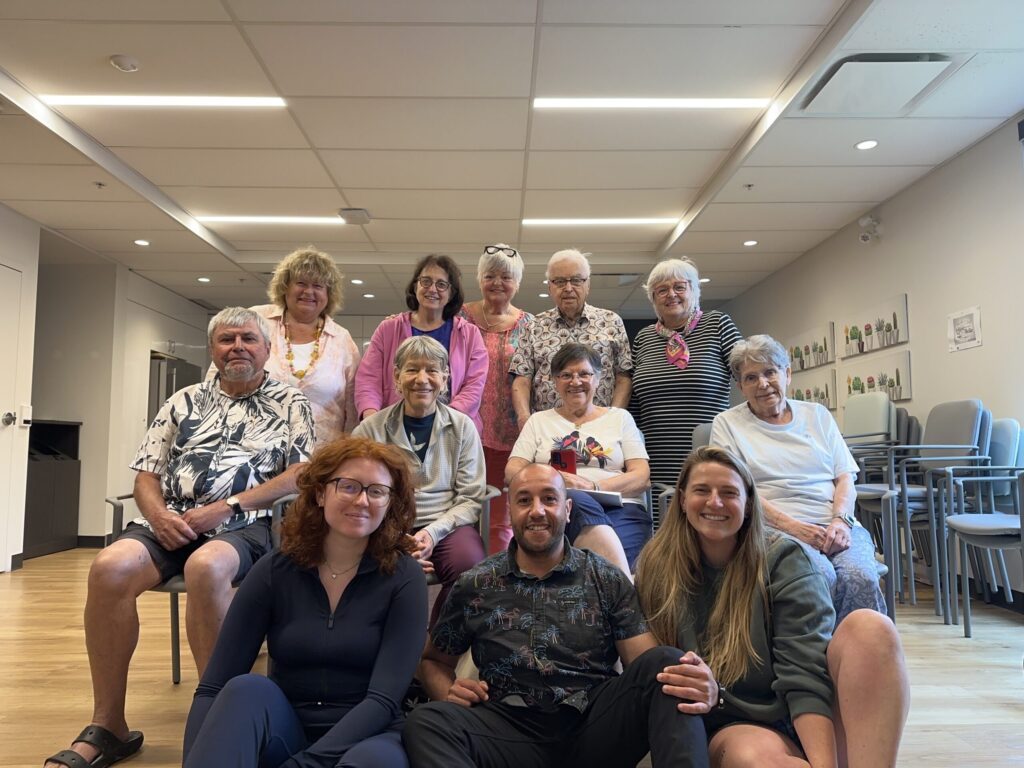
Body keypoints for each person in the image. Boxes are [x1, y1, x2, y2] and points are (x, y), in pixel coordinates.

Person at [45, 307, 314, 768]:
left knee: (206, 567)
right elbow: (147, 474)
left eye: (248, 339)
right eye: (227, 339)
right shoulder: (182, 401)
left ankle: (218, 718)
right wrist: (159, 515)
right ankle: (109, 725)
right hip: (171, 518)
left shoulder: (291, 402)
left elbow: (299, 474)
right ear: (212, 349)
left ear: (267, 350)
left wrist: (228, 506)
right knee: (109, 567)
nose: (238, 347)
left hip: (246, 521)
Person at [402, 463, 709, 768]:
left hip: (593, 726)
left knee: (668, 665)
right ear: (510, 511)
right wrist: (449, 691)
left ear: (568, 509)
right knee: (426, 722)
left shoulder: (605, 577)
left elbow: (646, 664)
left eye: (549, 499)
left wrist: (687, 676)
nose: (537, 511)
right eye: (524, 500)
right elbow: (434, 661)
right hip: (507, 727)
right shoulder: (476, 583)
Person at [635, 446, 909, 768]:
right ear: (682, 500)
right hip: (728, 719)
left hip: (801, 712)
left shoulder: (785, 558)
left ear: (749, 504)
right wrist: (712, 695)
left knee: (872, 628)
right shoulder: (656, 565)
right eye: (702, 491)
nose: (715, 502)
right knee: (756, 759)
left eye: (729, 493)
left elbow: (804, 674)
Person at [182, 436, 427, 768]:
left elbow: (383, 702)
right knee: (245, 690)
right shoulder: (275, 570)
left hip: (370, 734)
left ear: (390, 503)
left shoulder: (405, 578)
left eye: (377, 491)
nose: (362, 500)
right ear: (321, 493)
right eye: (348, 486)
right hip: (287, 727)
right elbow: (213, 687)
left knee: (373, 762)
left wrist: (304, 764)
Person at [709, 334, 887, 622]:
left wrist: (841, 521)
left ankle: (861, 650)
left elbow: (844, 477)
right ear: (740, 387)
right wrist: (795, 528)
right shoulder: (727, 424)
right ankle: (818, 651)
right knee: (819, 576)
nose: (763, 383)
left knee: (861, 577)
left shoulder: (817, 415)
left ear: (787, 374)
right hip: (771, 528)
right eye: (751, 377)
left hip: (835, 524)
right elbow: (737, 492)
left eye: (770, 372)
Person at [353, 336, 486, 625]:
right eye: (412, 369)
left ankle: (436, 644)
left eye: (432, 370)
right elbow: (357, 494)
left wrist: (432, 533)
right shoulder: (370, 430)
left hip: (446, 525)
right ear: (396, 376)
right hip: (384, 524)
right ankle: (378, 638)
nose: (422, 379)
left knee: (470, 568)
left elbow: (471, 498)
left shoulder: (463, 428)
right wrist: (396, 538)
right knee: (383, 565)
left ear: (445, 378)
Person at [507, 342, 651, 571]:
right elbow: (512, 471)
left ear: (598, 378)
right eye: (566, 375)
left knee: (619, 558)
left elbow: (641, 477)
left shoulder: (620, 418)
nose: (575, 382)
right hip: (560, 511)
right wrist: (554, 483)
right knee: (575, 499)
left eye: (584, 374)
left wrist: (592, 487)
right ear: (555, 381)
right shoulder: (538, 421)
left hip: (621, 508)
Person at [207, 246, 360, 446]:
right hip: (250, 449)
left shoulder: (342, 339)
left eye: (318, 285)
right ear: (285, 287)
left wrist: (348, 451)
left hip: (322, 455)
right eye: (301, 283)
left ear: (328, 294)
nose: (309, 291)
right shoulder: (255, 320)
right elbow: (217, 377)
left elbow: (352, 408)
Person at [629, 258, 742, 486]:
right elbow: (633, 403)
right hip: (655, 457)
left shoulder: (718, 323)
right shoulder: (643, 338)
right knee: (662, 508)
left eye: (679, 287)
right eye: (662, 290)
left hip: (709, 453)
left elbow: (748, 374)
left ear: (694, 291)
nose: (671, 294)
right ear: (653, 298)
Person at [355, 253, 487, 431]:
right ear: (415, 285)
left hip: (452, 429)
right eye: (426, 281)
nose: (432, 289)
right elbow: (368, 379)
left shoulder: (470, 334)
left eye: (441, 284)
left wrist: (446, 422)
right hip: (392, 429)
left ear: (452, 293)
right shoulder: (388, 329)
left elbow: (474, 385)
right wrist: (373, 421)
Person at [458, 243, 533, 552]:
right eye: (490, 276)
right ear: (479, 279)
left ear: (517, 283)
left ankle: (495, 574)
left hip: (509, 434)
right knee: (462, 511)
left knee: (501, 518)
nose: (497, 283)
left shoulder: (529, 325)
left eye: (506, 277)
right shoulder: (459, 317)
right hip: (463, 432)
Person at [510, 248, 632, 428]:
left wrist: (613, 419)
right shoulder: (532, 326)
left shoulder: (611, 322)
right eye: (559, 281)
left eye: (576, 280)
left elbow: (624, 378)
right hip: (548, 429)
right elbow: (522, 380)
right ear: (549, 287)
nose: (568, 288)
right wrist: (524, 419)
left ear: (587, 284)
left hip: (601, 428)